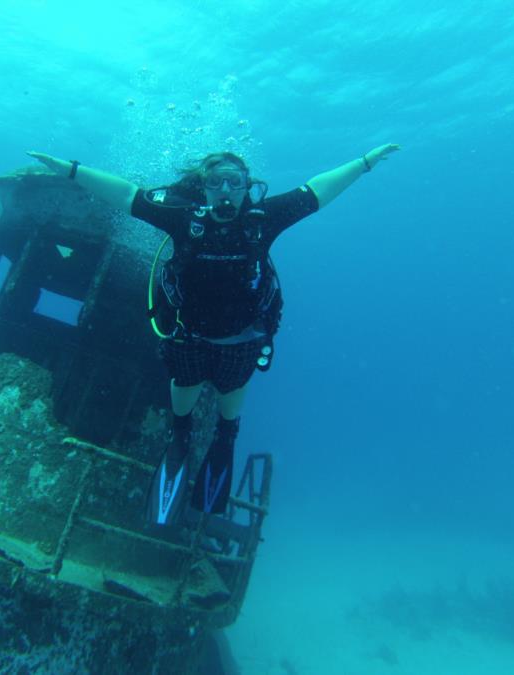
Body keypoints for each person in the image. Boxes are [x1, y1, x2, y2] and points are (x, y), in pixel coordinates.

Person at [28, 144, 400, 525]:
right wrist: (71, 169)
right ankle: (181, 435)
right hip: (190, 336)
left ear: (246, 187)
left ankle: (226, 434)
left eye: (234, 182)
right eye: (215, 182)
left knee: (230, 395)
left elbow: (315, 192)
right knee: (184, 386)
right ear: (203, 188)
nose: (225, 190)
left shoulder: (263, 219)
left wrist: (363, 163)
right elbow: (127, 194)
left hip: (242, 341)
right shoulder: (182, 217)